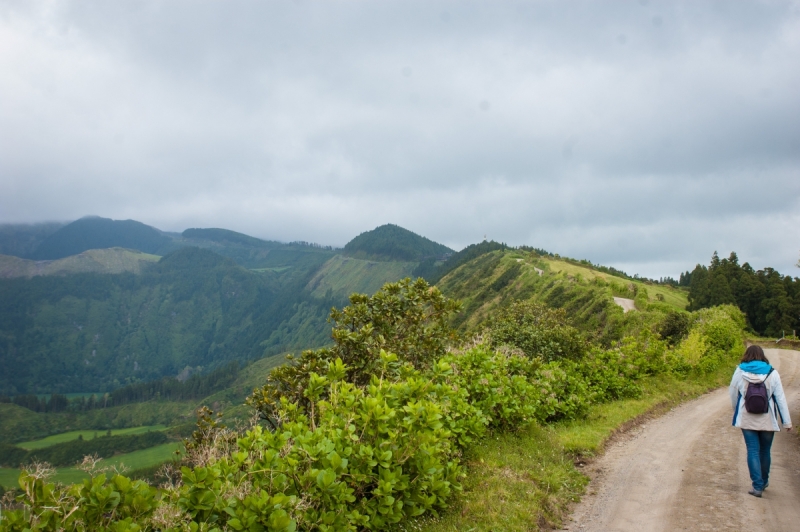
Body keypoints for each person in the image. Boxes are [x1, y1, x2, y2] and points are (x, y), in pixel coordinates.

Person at [730, 345, 792, 497]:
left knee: (752, 450)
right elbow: (780, 399)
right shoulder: (772, 373)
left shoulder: (739, 371)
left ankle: (757, 487)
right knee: (765, 450)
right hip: (767, 419)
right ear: (762, 356)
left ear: (747, 355)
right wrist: (787, 422)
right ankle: (764, 481)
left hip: (747, 417)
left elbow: (733, 393)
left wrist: (736, 410)